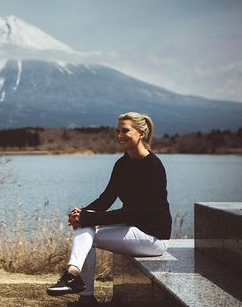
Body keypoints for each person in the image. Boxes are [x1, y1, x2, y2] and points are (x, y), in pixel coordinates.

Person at [46, 112, 172, 306]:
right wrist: (81, 213)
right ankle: (75, 278)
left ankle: (80, 288)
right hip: (133, 227)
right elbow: (106, 199)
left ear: (141, 132)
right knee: (84, 227)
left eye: (125, 130)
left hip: (153, 237)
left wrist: (88, 217)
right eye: (117, 131)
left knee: (90, 233)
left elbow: (136, 212)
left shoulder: (153, 166)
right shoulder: (122, 164)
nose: (119, 135)